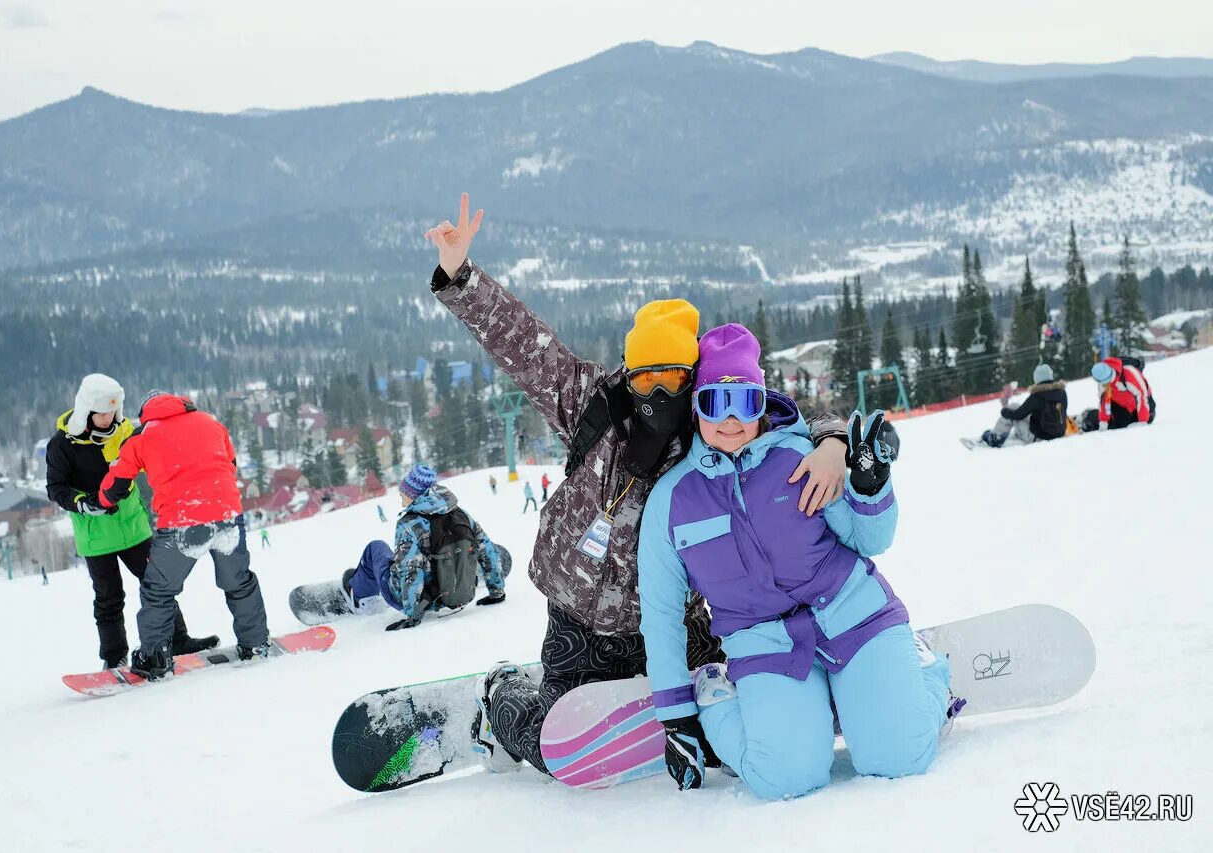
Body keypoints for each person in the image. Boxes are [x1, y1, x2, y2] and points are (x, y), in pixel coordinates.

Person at [422, 194, 848, 776]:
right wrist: (460, 277)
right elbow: (523, 344)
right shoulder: (592, 408)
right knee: (556, 748)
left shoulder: (709, 430)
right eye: (646, 377)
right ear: (628, 373)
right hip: (578, 616)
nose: (659, 394)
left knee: (733, 729)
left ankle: (835, 676)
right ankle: (500, 699)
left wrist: (833, 442)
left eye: (675, 377)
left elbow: (781, 421)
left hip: (678, 619)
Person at [639, 324, 961, 798]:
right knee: (784, 780)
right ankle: (718, 692)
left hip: (855, 616)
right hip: (764, 642)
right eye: (715, 403)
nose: (731, 421)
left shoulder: (799, 455)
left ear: (761, 403)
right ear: (695, 407)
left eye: (745, 403)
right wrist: (676, 715)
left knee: (899, 757)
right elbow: (662, 613)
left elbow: (870, 539)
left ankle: (924, 669)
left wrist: (869, 488)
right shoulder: (672, 501)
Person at [46, 374, 217, 669]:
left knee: (158, 585)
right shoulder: (62, 444)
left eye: (112, 411)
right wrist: (83, 503)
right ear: (86, 410)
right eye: (101, 413)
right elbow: (55, 488)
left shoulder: (127, 431)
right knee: (109, 597)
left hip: (134, 528)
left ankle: (178, 639)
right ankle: (114, 658)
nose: (108, 418)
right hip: (95, 535)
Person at [97, 390, 269, 681]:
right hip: (227, 514)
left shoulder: (142, 436)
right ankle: (255, 644)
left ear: (145, 412)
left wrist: (100, 502)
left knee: (159, 591)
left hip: (182, 521)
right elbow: (231, 463)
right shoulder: (211, 422)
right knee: (238, 582)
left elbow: (116, 483)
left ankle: (154, 658)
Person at [346, 465, 508, 629]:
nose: (401, 499)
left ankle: (362, 598)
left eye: (404, 494)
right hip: (456, 593)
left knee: (376, 548)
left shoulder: (410, 524)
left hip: (424, 602)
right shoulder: (461, 514)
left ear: (415, 495)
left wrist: (413, 615)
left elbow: (409, 570)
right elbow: (488, 550)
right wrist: (497, 592)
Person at [977, 363, 1069, 448]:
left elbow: (1018, 415)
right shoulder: (1062, 393)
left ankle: (995, 438)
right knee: (1026, 411)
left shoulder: (1036, 396)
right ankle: (1007, 434)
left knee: (1013, 407)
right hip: (1060, 433)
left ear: (1036, 378)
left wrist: (1004, 411)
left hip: (1039, 437)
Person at [1081, 357, 1156, 431]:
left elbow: (1142, 396)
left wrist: (1143, 420)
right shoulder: (1103, 384)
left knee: (1146, 421)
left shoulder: (1128, 373)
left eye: (1107, 381)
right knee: (1117, 426)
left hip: (1143, 406)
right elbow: (1104, 402)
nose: (1106, 385)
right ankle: (1090, 416)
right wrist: (1103, 421)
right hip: (1122, 407)